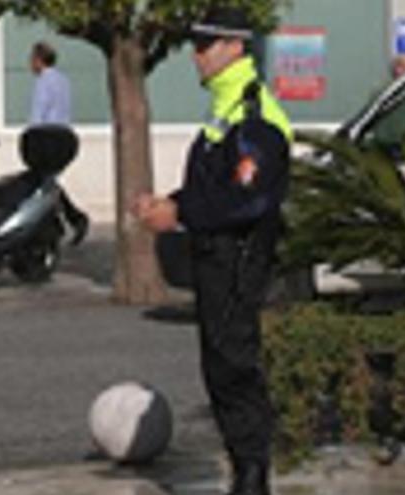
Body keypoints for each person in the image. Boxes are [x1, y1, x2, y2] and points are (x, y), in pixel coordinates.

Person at [133, 8, 292, 495]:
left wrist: (179, 216)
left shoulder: (253, 112)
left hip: (239, 259)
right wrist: (170, 204)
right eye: (194, 46)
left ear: (235, 48)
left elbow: (252, 196)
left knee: (234, 367)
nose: (195, 56)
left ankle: (252, 477)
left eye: (206, 46)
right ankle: (243, 468)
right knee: (219, 365)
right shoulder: (223, 107)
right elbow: (213, 186)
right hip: (217, 256)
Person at [27, 42, 88, 244]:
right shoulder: (63, 80)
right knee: (48, 182)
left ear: (38, 60)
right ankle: (62, 222)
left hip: (47, 136)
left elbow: (39, 111)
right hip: (64, 135)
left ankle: (73, 219)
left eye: (32, 59)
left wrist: (30, 137)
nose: (30, 64)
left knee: (41, 182)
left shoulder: (44, 81)